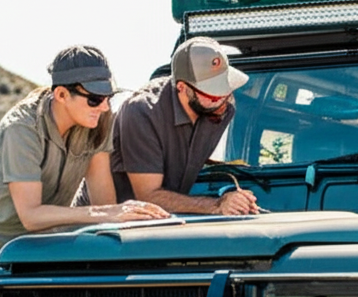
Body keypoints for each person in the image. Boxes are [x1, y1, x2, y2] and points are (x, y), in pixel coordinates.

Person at [0, 45, 169, 256]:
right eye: (94, 99)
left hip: (45, 243)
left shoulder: (99, 120)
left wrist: (129, 216)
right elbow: (31, 216)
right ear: (61, 94)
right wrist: (105, 212)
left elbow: (104, 204)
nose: (104, 107)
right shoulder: (22, 129)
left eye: (108, 97)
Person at [110, 36, 261, 215]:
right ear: (182, 87)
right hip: (115, 227)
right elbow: (147, 197)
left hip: (171, 218)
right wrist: (217, 205)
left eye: (226, 88)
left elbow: (185, 153)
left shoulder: (221, 108)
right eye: (213, 93)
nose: (223, 100)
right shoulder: (142, 112)